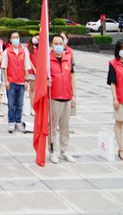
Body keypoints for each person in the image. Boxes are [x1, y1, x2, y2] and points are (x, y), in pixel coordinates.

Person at [48, 35, 76, 164]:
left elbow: (72, 77)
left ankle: (64, 151)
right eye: (56, 43)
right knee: (53, 127)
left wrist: (74, 95)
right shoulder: (47, 60)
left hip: (67, 97)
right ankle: (52, 152)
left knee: (65, 127)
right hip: (54, 97)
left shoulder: (67, 59)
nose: (59, 45)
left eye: (61, 43)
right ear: (51, 45)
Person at [1, 30, 31, 134]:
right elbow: (4, 67)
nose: (16, 39)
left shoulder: (23, 51)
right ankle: (11, 123)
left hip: (21, 82)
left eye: (17, 37)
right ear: (10, 39)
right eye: (13, 37)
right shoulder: (7, 52)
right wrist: (6, 81)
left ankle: (18, 122)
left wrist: (26, 80)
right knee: (11, 104)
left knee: (19, 104)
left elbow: (26, 67)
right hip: (11, 81)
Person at [26, 34, 39, 113]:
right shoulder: (27, 47)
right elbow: (28, 59)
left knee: (37, 89)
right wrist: (34, 69)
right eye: (36, 38)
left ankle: (36, 105)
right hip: (31, 71)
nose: (37, 40)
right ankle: (32, 106)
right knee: (32, 89)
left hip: (39, 71)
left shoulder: (39, 47)